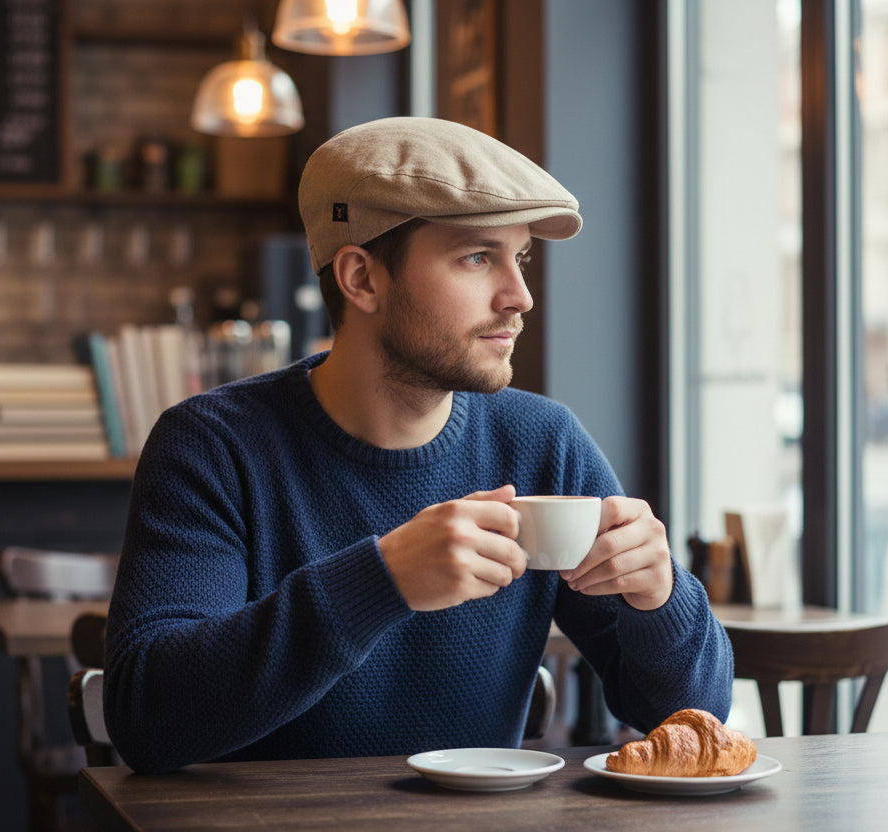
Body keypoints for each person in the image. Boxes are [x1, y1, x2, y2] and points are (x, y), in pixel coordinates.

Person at [104, 116, 733, 774]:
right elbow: (146, 718)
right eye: (476, 257)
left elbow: (693, 717)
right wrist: (383, 581)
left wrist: (659, 597)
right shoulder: (214, 447)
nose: (519, 297)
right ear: (362, 279)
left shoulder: (543, 441)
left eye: (519, 260)